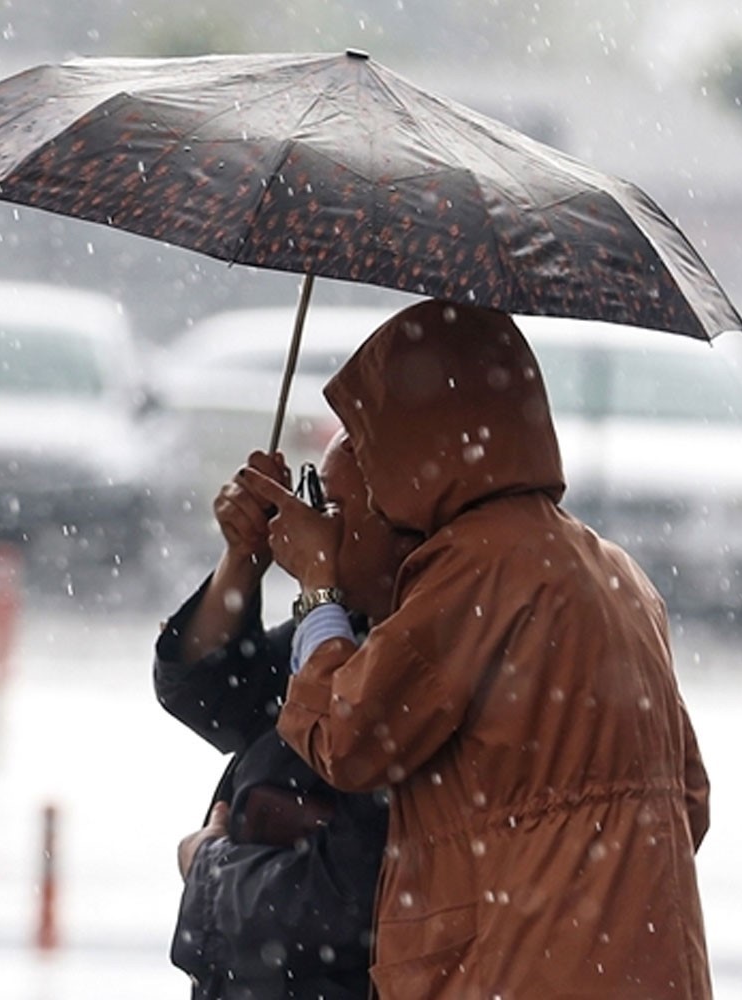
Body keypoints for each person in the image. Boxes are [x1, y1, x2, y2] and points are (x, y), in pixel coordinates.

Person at [240, 299, 713, 999]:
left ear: (408, 465)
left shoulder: (475, 568)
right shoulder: (611, 570)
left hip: (521, 975)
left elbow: (347, 736)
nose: (335, 529)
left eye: (342, 505)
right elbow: (691, 799)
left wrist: (316, 587)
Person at [156, 436, 420, 1000]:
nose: (306, 523)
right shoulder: (350, 625)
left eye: (328, 508)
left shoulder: (413, 664)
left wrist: (208, 871)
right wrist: (242, 563)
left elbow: (343, 902)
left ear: (404, 534)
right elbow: (207, 694)